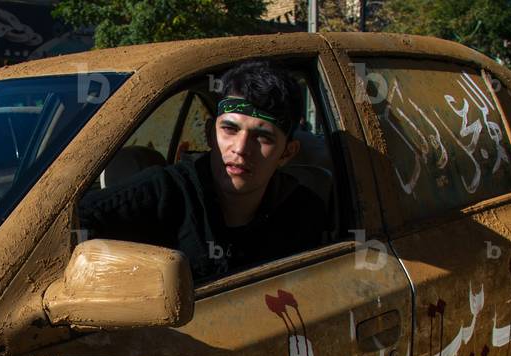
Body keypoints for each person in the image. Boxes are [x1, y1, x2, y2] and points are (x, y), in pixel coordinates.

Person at [78, 61, 328, 282]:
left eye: (262, 137)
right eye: (230, 129)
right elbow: (73, 224)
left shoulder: (303, 211)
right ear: (210, 134)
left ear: (287, 153)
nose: (240, 149)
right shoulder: (165, 192)